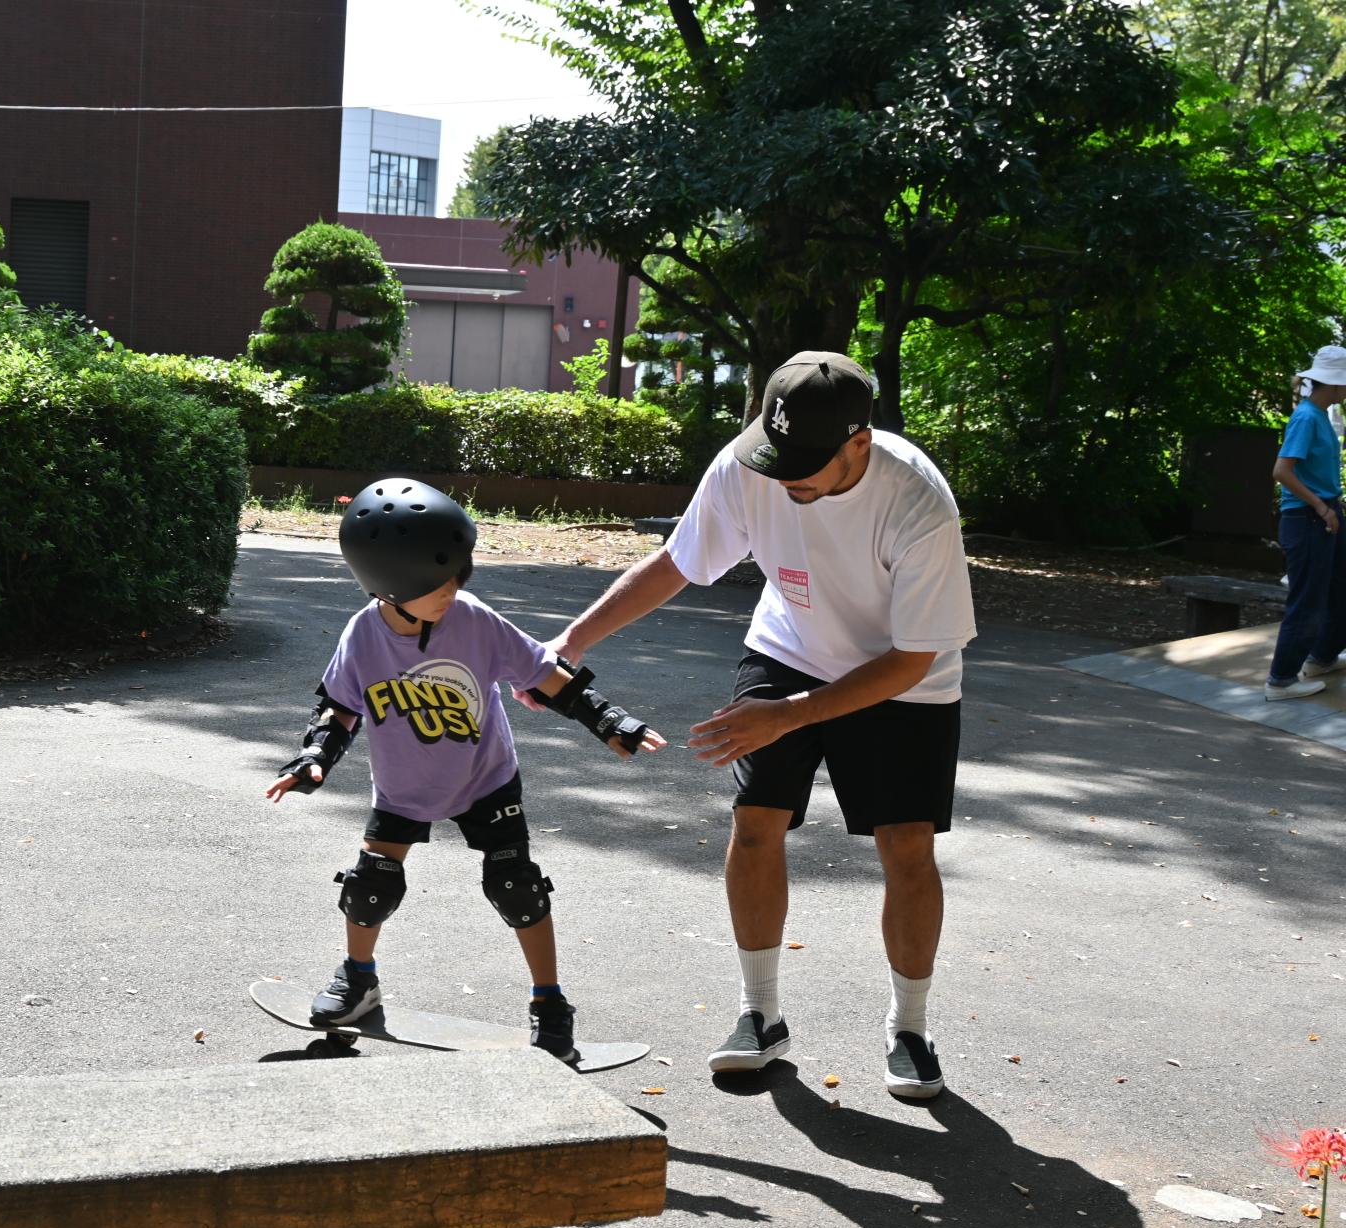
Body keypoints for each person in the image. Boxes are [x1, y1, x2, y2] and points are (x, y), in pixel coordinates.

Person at [527, 352, 975, 1099]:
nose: (783, 478)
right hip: (789, 645)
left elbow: (911, 660)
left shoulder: (917, 502)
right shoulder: (750, 464)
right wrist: (570, 642)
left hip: (903, 675)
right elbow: (677, 562)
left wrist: (791, 716)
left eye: (804, 464)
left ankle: (911, 1028)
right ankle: (760, 1013)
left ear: (859, 441)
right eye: (778, 454)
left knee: (906, 845)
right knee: (756, 819)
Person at [265, 478, 666, 1062]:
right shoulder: (362, 635)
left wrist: (606, 719)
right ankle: (358, 979)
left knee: (517, 887)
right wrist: (314, 758)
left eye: (459, 573)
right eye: (441, 581)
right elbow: (339, 705)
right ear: (391, 585)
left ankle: (550, 1004)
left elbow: (544, 674)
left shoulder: (474, 619)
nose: (456, 587)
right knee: (370, 886)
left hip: (486, 780)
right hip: (402, 787)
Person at [1264, 345, 1346, 701]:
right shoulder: (1307, 417)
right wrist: (1321, 508)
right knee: (1308, 601)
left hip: (1327, 512)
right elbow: (1282, 471)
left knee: (1341, 590)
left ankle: (1322, 657)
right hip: (1309, 518)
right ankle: (1281, 680)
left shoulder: (1321, 415)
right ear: (1336, 385)